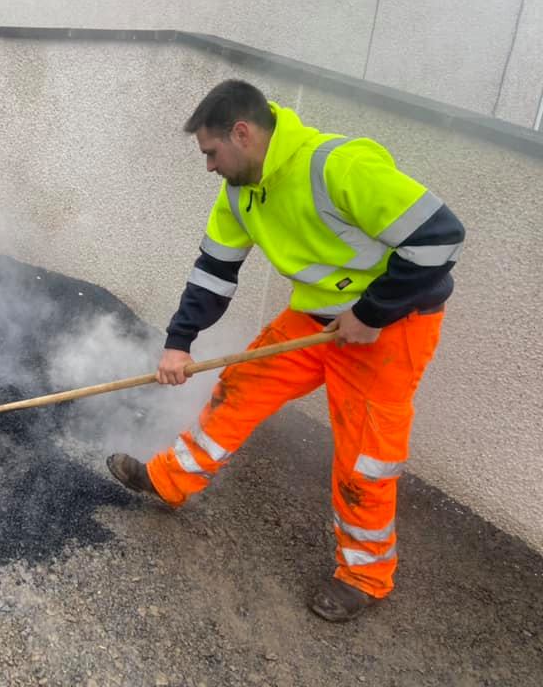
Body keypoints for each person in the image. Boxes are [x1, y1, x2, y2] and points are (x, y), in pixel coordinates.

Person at [106, 80, 465, 622]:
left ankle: (365, 576)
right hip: (314, 319)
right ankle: (168, 481)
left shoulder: (337, 167)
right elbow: (214, 272)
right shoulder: (240, 192)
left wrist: (370, 315)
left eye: (211, 152)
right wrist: (179, 343)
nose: (208, 166)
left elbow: (441, 237)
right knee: (239, 388)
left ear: (242, 133)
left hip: (390, 328)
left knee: (364, 459)